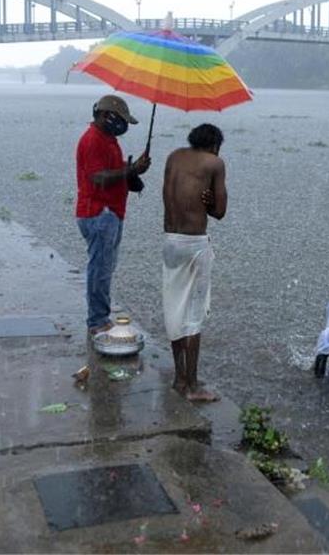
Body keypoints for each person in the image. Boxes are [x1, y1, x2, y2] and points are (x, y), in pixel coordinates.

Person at [161, 123, 227, 402]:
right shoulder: (214, 163)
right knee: (194, 314)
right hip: (194, 245)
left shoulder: (174, 156)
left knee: (174, 309)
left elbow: (170, 196)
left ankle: (179, 378)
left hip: (170, 241)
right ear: (214, 145)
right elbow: (220, 212)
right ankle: (193, 384)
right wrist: (211, 200)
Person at [75, 95, 151, 335]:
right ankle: (97, 321)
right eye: (119, 119)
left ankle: (101, 316)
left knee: (105, 267)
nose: (122, 125)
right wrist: (130, 169)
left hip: (110, 212)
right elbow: (98, 177)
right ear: (104, 115)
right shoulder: (93, 140)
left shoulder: (108, 140)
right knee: (100, 268)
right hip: (99, 212)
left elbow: (114, 173)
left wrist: (133, 172)